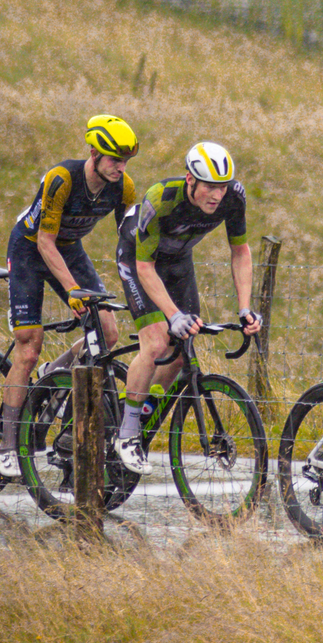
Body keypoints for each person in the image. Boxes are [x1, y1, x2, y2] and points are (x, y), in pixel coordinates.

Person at [0, 116, 139, 479]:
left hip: (70, 249)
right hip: (31, 248)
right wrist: (73, 290)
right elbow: (45, 241)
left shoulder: (123, 188)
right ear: (93, 152)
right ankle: (9, 444)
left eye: (125, 160)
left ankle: (53, 373)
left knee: (107, 332)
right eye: (113, 159)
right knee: (28, 346)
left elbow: (130, 245)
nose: (120, 167)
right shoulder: (61, 178)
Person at [111, 140, 261, 470]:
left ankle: (142, 413)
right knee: (155, 342)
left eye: (221, 187)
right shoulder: (160, 199)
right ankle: (127, 432)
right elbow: (144, 267)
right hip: (139, 260)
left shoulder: (234, 197)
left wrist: (245, 308)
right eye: (209, 186)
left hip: (178, 260)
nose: (216, 195)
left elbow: (241, 252)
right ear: (190, 180)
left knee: (181, 352)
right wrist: (173, 314)